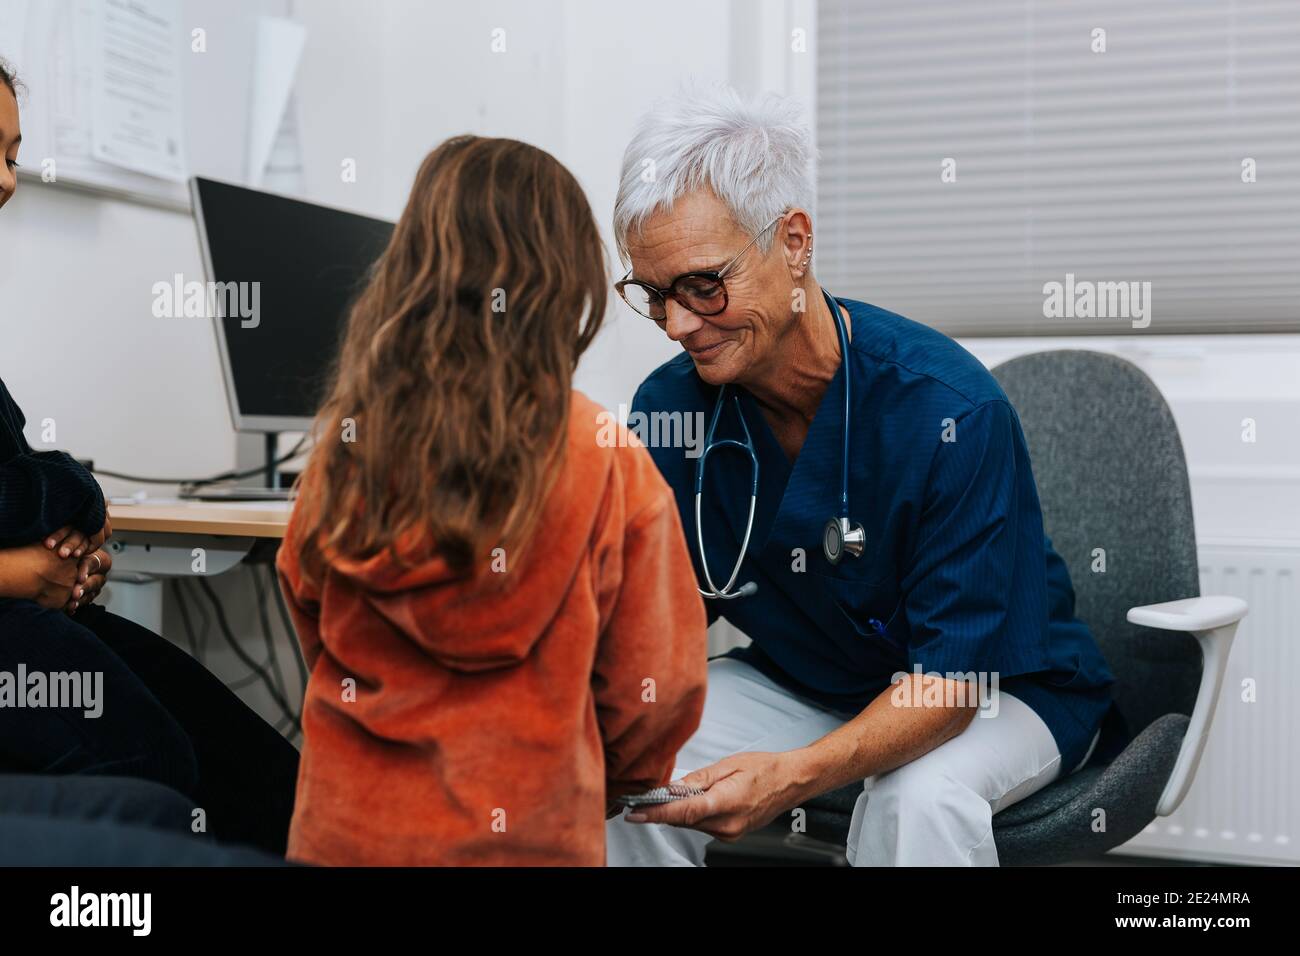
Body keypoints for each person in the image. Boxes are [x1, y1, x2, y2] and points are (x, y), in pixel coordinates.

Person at [604, 84, 1124, 866]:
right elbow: (649, 612)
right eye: (653, 294)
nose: (678, 325)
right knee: (623, 774)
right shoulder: (672, 409)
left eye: (704, 286)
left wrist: (793, 775)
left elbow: (948, 687)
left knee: (917, 799)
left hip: (1001, 692)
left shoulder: (949, 410)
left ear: (794, 242)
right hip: (812, 681)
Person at [276, 135, 709, 866]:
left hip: (346, 835)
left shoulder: (347, 448)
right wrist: (616, 782)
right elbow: (655, 690)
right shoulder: (607, 461)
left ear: (411, 271)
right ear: (568, 283)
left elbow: (305, 604)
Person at [0, 57, 298, 858]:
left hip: (30, 612)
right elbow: (19, 492)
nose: (9, 182)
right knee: (154, 771)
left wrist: (74, 539)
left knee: (269, 774)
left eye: (15, 156)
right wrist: (36, 558)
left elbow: (25, 483)